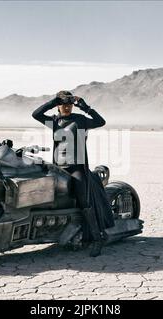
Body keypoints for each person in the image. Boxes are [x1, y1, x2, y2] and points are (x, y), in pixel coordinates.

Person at [32, 90, 114, 257]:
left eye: (69, 103)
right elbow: (36, 114)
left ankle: (97, 238)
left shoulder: (80, 120)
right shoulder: (53, 121)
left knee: (85, 201)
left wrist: (85, 107)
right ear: (59, 106)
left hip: (77, 167)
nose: (67, 106)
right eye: (63, 104)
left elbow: (100, 122)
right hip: (58, 168)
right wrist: (54, 101)